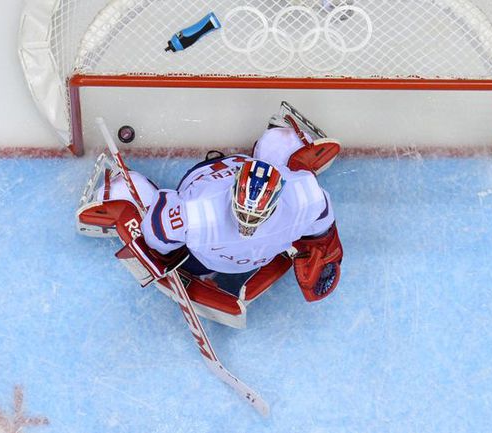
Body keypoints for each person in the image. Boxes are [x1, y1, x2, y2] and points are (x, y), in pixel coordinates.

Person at [76, 111, 343, 328]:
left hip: (221, 218)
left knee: (280, 141)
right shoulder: (197, 212)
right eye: (244, 213)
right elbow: (157, 236)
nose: (247, 225)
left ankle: (280, 138)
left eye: (255, 216)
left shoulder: (305, 194)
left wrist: (320, 247)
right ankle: (118, 188)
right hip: (206, 197)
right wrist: (156, 251)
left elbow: (159, 240)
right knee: (127, 193)